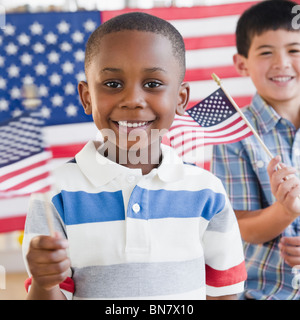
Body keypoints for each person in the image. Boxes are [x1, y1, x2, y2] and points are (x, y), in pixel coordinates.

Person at [22, 12, 246, 300]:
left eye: (152, 84)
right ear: (87, 97)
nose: (133, 100)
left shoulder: (206, 190)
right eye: (113, 84)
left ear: (181, 98)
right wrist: (44, 282)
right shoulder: (55, 193)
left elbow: (224, 292)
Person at [212, 0, 300, 300]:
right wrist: (284, 210)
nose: (282, 63)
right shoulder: (235, 134)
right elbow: (241, 227)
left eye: (294, 50)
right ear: (241, 64)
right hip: (267, 291)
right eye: (266, 52)